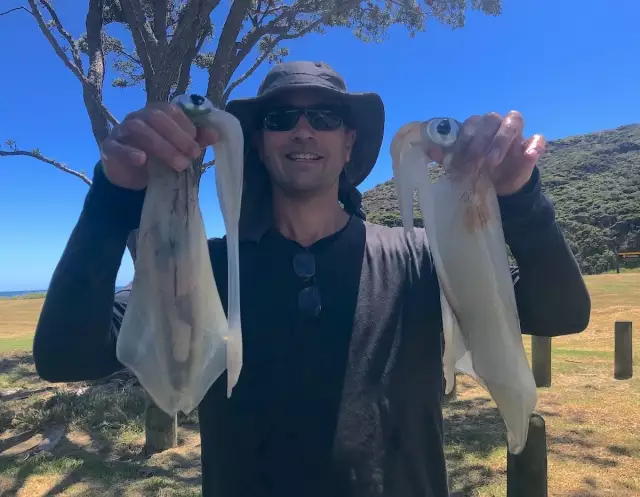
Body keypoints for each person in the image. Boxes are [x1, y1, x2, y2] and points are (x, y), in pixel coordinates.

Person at [32, 61, 591, 497]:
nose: (302, 130)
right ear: (257, 141)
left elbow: (560, 312)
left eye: (324, 116)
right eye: (280, 118)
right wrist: (113, 196)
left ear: (349, 142)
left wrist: (519, 197)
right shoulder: (208, 271)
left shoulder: (423, 260)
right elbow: (66, 356)